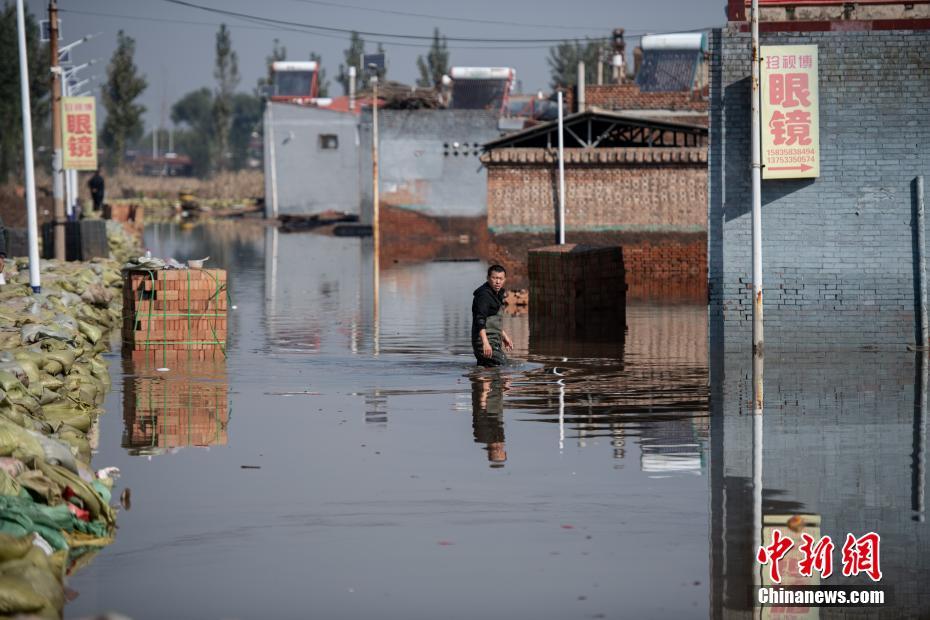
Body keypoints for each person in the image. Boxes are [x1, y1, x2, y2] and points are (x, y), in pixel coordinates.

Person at [471, 264, 513, 367]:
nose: (498, 282)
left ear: (504, 279)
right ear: (488, 278)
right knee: (505, 366)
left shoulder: (497, 294)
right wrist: (485, 343)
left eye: (500, 278)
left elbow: (493, 320)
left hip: (493, 341)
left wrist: (504, 336)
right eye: (494, 278)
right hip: (486, 342)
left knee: (486, 369)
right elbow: (480, 320)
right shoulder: (484, 295)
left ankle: (480, 381)